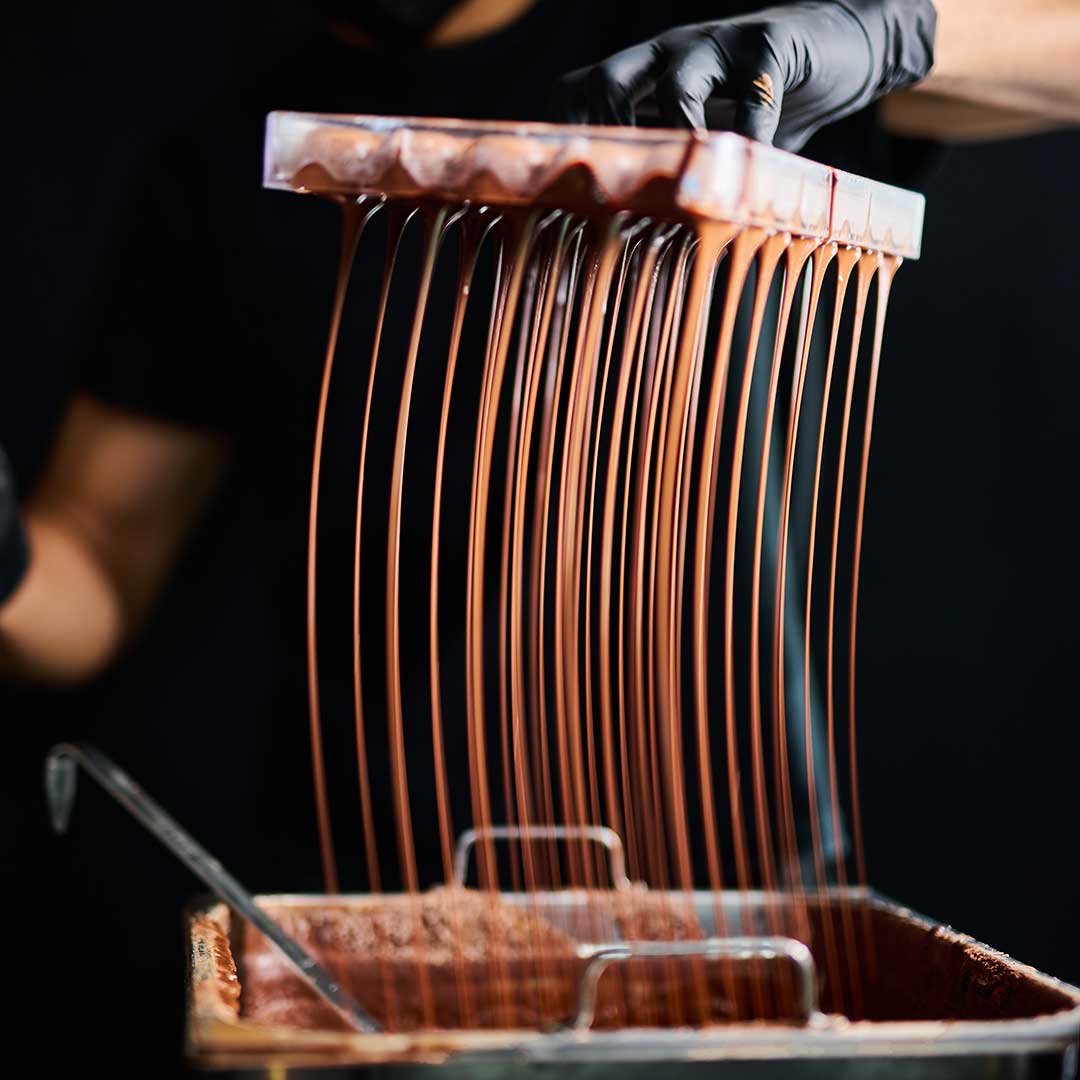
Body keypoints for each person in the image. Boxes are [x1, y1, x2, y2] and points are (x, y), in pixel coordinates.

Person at [1, 0, 1077, 1067]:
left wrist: (882, 35)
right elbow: (96, 556)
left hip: (742, 900)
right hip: (378, 903)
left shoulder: (701, 45)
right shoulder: (224, 150)